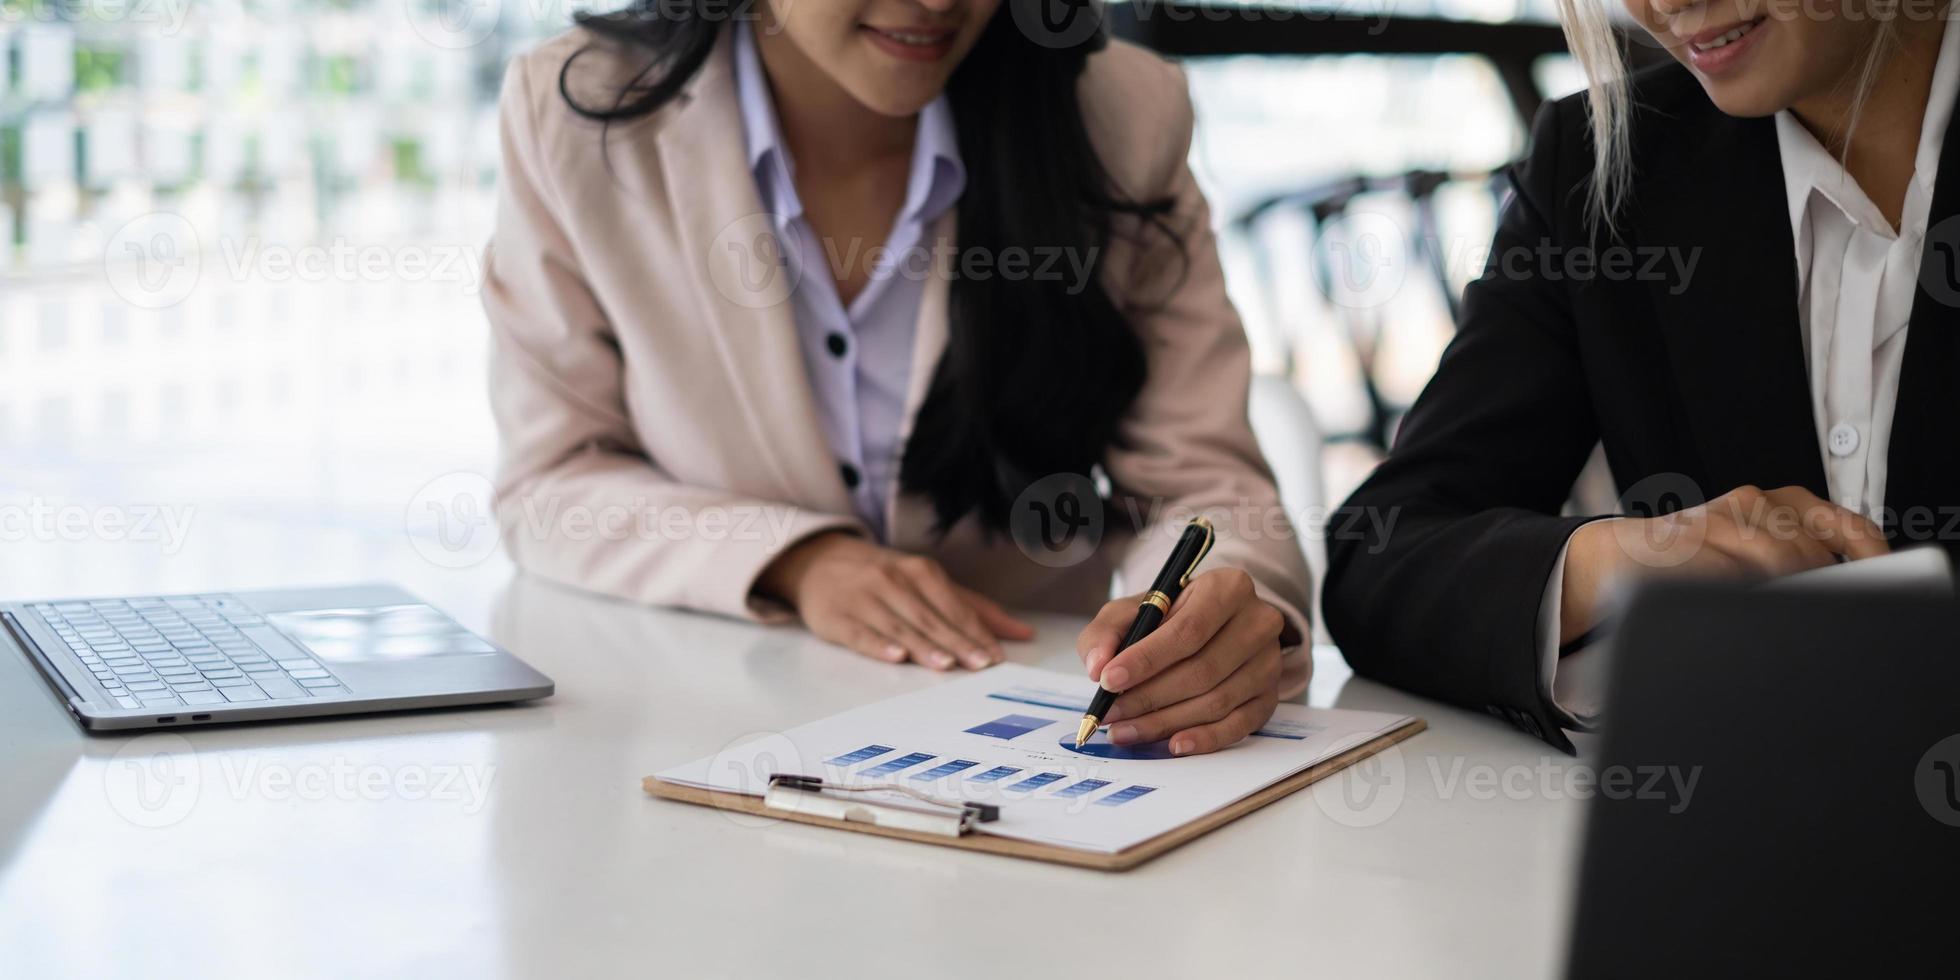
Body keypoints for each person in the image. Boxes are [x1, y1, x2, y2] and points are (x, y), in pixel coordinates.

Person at [482, 0, 1314, 755]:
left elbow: (1206, 488)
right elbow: (551, 482)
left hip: (1016, 754)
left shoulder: (1124, 112)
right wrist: (798, 561)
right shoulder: (575, 109)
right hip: (696, 731)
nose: (940, 4)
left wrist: (1226, 616)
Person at [1325, 0, 1960, 751]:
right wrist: (1610, 560)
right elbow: (1382, 551)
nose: (1663, 2)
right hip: (1745, 844)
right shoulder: (1600, 173)